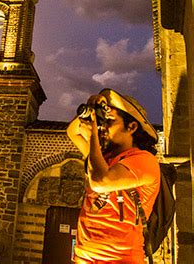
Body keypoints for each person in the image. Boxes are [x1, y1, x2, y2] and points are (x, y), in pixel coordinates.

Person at [66, 88, 160, 263]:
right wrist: (91, 109)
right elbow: (73, 132)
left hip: (120, 259)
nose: (102, 127)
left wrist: (93, 133)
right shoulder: (103, 159)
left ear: (131, 127)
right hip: (83, 258)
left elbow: (100, 181)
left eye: (109, 120)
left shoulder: (144, 161)